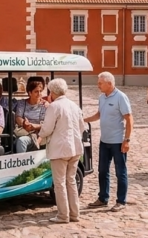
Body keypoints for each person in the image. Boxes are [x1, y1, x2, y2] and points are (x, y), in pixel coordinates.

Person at [83, 72, 133, 212]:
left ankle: (121, 201)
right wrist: (83, 120)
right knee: (102, 171)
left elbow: (129, 119)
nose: (98, 85)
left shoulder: (120, 97)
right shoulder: (101, 97)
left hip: (118, 142)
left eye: (100, 83)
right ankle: (103, 198)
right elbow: (99, 115)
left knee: (120, 172)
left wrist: (127, 140)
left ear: (109, 83)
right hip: (104, 141)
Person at [37, 78, 84, 224]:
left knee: (60, 183)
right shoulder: (73, 105)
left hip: (60, 149)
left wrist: (40, 136)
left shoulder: (54, 106)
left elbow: (47, 128)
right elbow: (82, 126)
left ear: (52, 92)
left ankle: (63, 215)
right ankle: (75, 213)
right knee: (71, 181)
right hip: (75, 148)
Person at [12, 78, 47, 153]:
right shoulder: (22, 103)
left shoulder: (45, 105)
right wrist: (24, 123)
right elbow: (18, 117)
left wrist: (35, 126)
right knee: (21, 140)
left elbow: (48, 124)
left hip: (41, 135)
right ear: (30, 93)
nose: (39, 94)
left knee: (22, 141)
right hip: (26, 133)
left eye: (40, 91)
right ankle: (22, 162)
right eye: (36, 92)